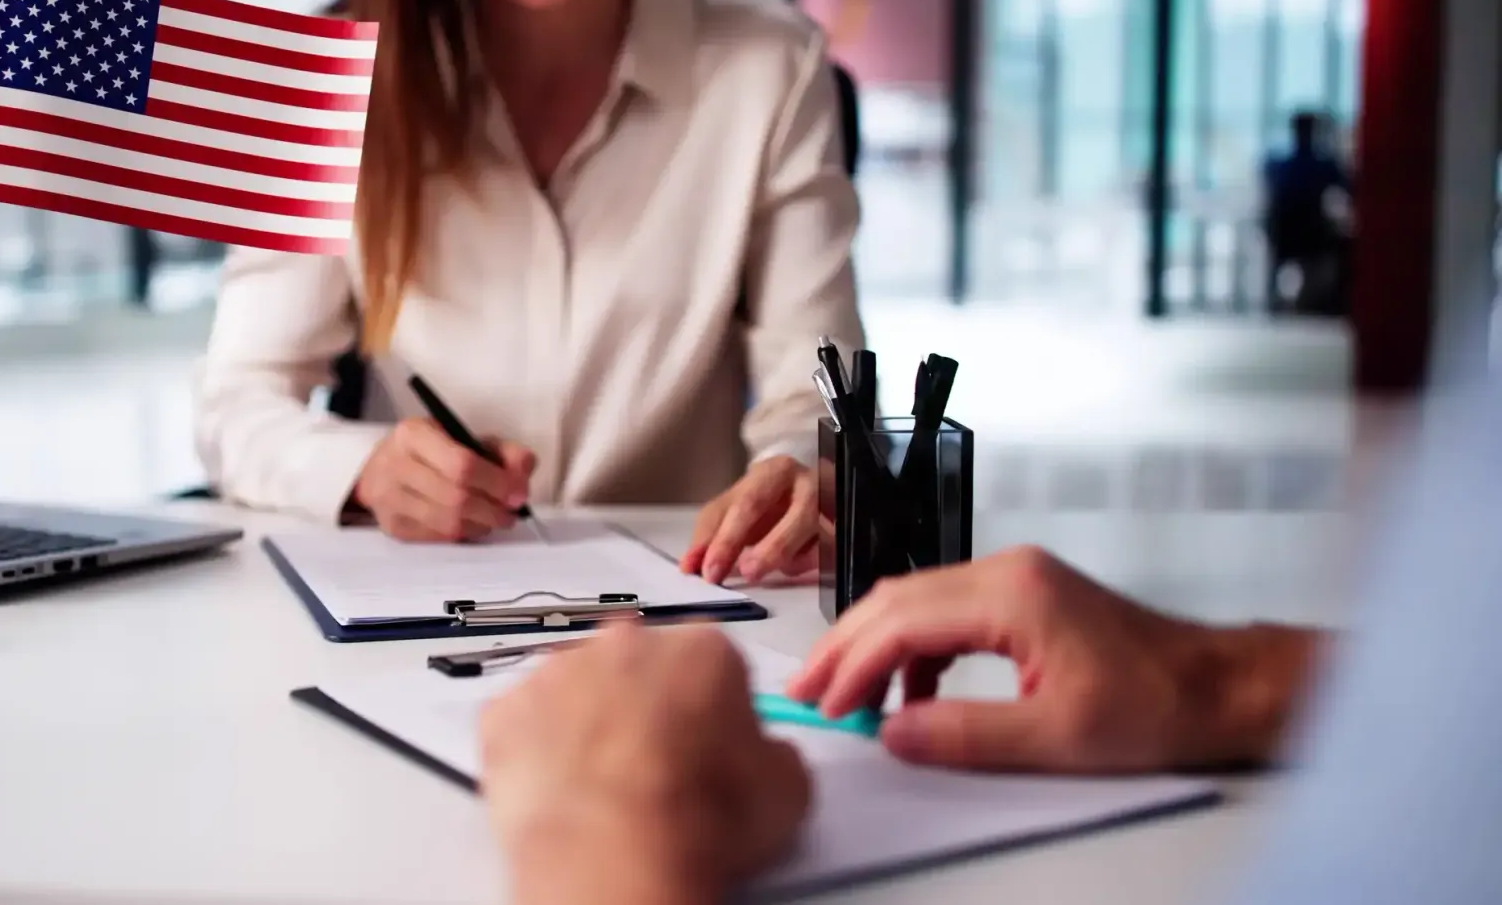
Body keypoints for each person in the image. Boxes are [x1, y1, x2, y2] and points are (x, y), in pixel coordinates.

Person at [479, 333, 1502, 902]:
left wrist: (605, 841)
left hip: (720, 570)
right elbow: (300, 392)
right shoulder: (329, 41)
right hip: (402, 554)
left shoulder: (762, 58)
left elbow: (809, 373)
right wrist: (1228, 678)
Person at [193, 0, 866, 584]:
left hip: (687, 599)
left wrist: (795, 467)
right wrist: (362, 471)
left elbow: (818, 390)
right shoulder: (328, 77)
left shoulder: (771, 66)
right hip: (419, 597)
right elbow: (237, 406)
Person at [1262, 111, 1353, 315]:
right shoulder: (1323, 166)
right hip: (1312, 235)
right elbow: (1348, 187)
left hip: (1283, 235)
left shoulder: (1279, 165)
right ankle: (1322, 303)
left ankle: (1278, 304)